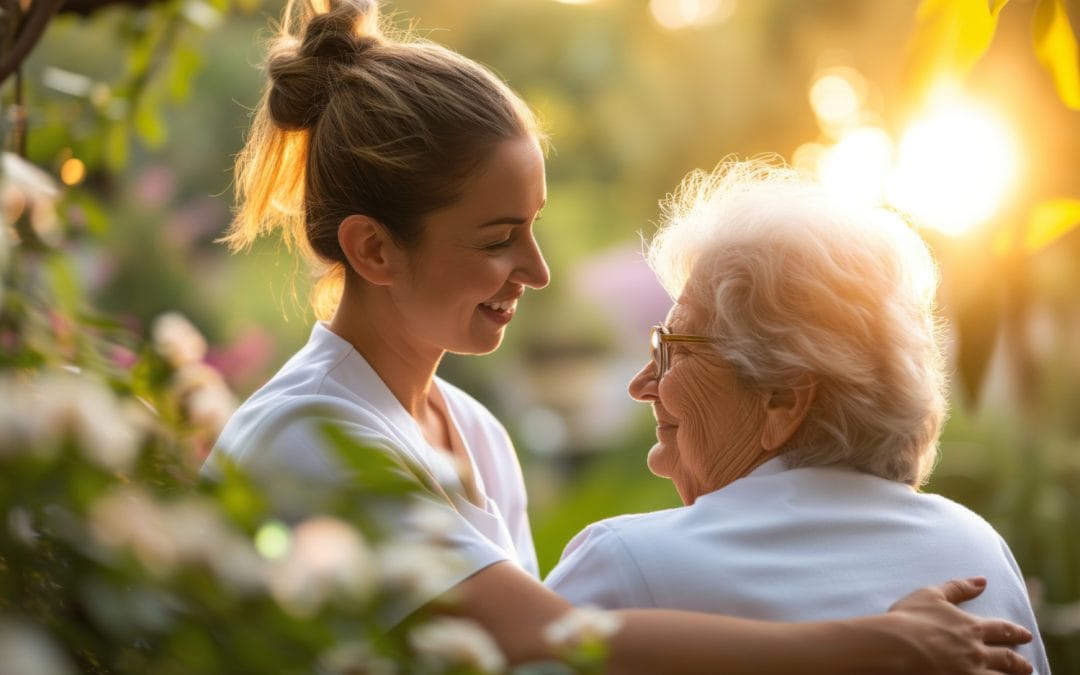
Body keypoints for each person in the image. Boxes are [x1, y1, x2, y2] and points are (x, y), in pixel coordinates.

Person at [201, 0, 1036, 671]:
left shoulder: (481, 438)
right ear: (374, 249)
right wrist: (867, 642)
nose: (537, 269)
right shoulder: (310, 434)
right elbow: (554, 637)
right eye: (498, 239)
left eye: (533, 227)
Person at [544, 159, 1050, 673]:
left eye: (674, 348)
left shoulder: (628, 568)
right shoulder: (976, 549)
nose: (641, 385)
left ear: (783, 399)